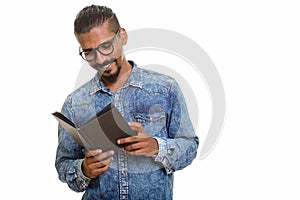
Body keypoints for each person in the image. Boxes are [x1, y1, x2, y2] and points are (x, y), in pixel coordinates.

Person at [55, 4, 199, 200]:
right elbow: (64, 163)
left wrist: (155, 146)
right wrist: (84, 169)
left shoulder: (165, 89)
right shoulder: (75, 103)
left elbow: (189, 147)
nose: (100, 59)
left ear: (122, 36)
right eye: (89, 52)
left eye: (106, 46)